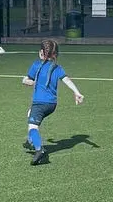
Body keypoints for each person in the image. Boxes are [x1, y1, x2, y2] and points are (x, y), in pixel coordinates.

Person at [21, 38, 84, 166]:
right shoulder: (57, 67)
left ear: (41, 53)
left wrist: (25, 81)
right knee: (30, 114)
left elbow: (28, 80)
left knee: (32, 127)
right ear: (55, 54)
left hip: (40, 103)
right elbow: (67, 80)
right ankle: (32, 140)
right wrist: (77, 92)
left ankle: (39, 149)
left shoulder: (36, 65)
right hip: (52, 105)